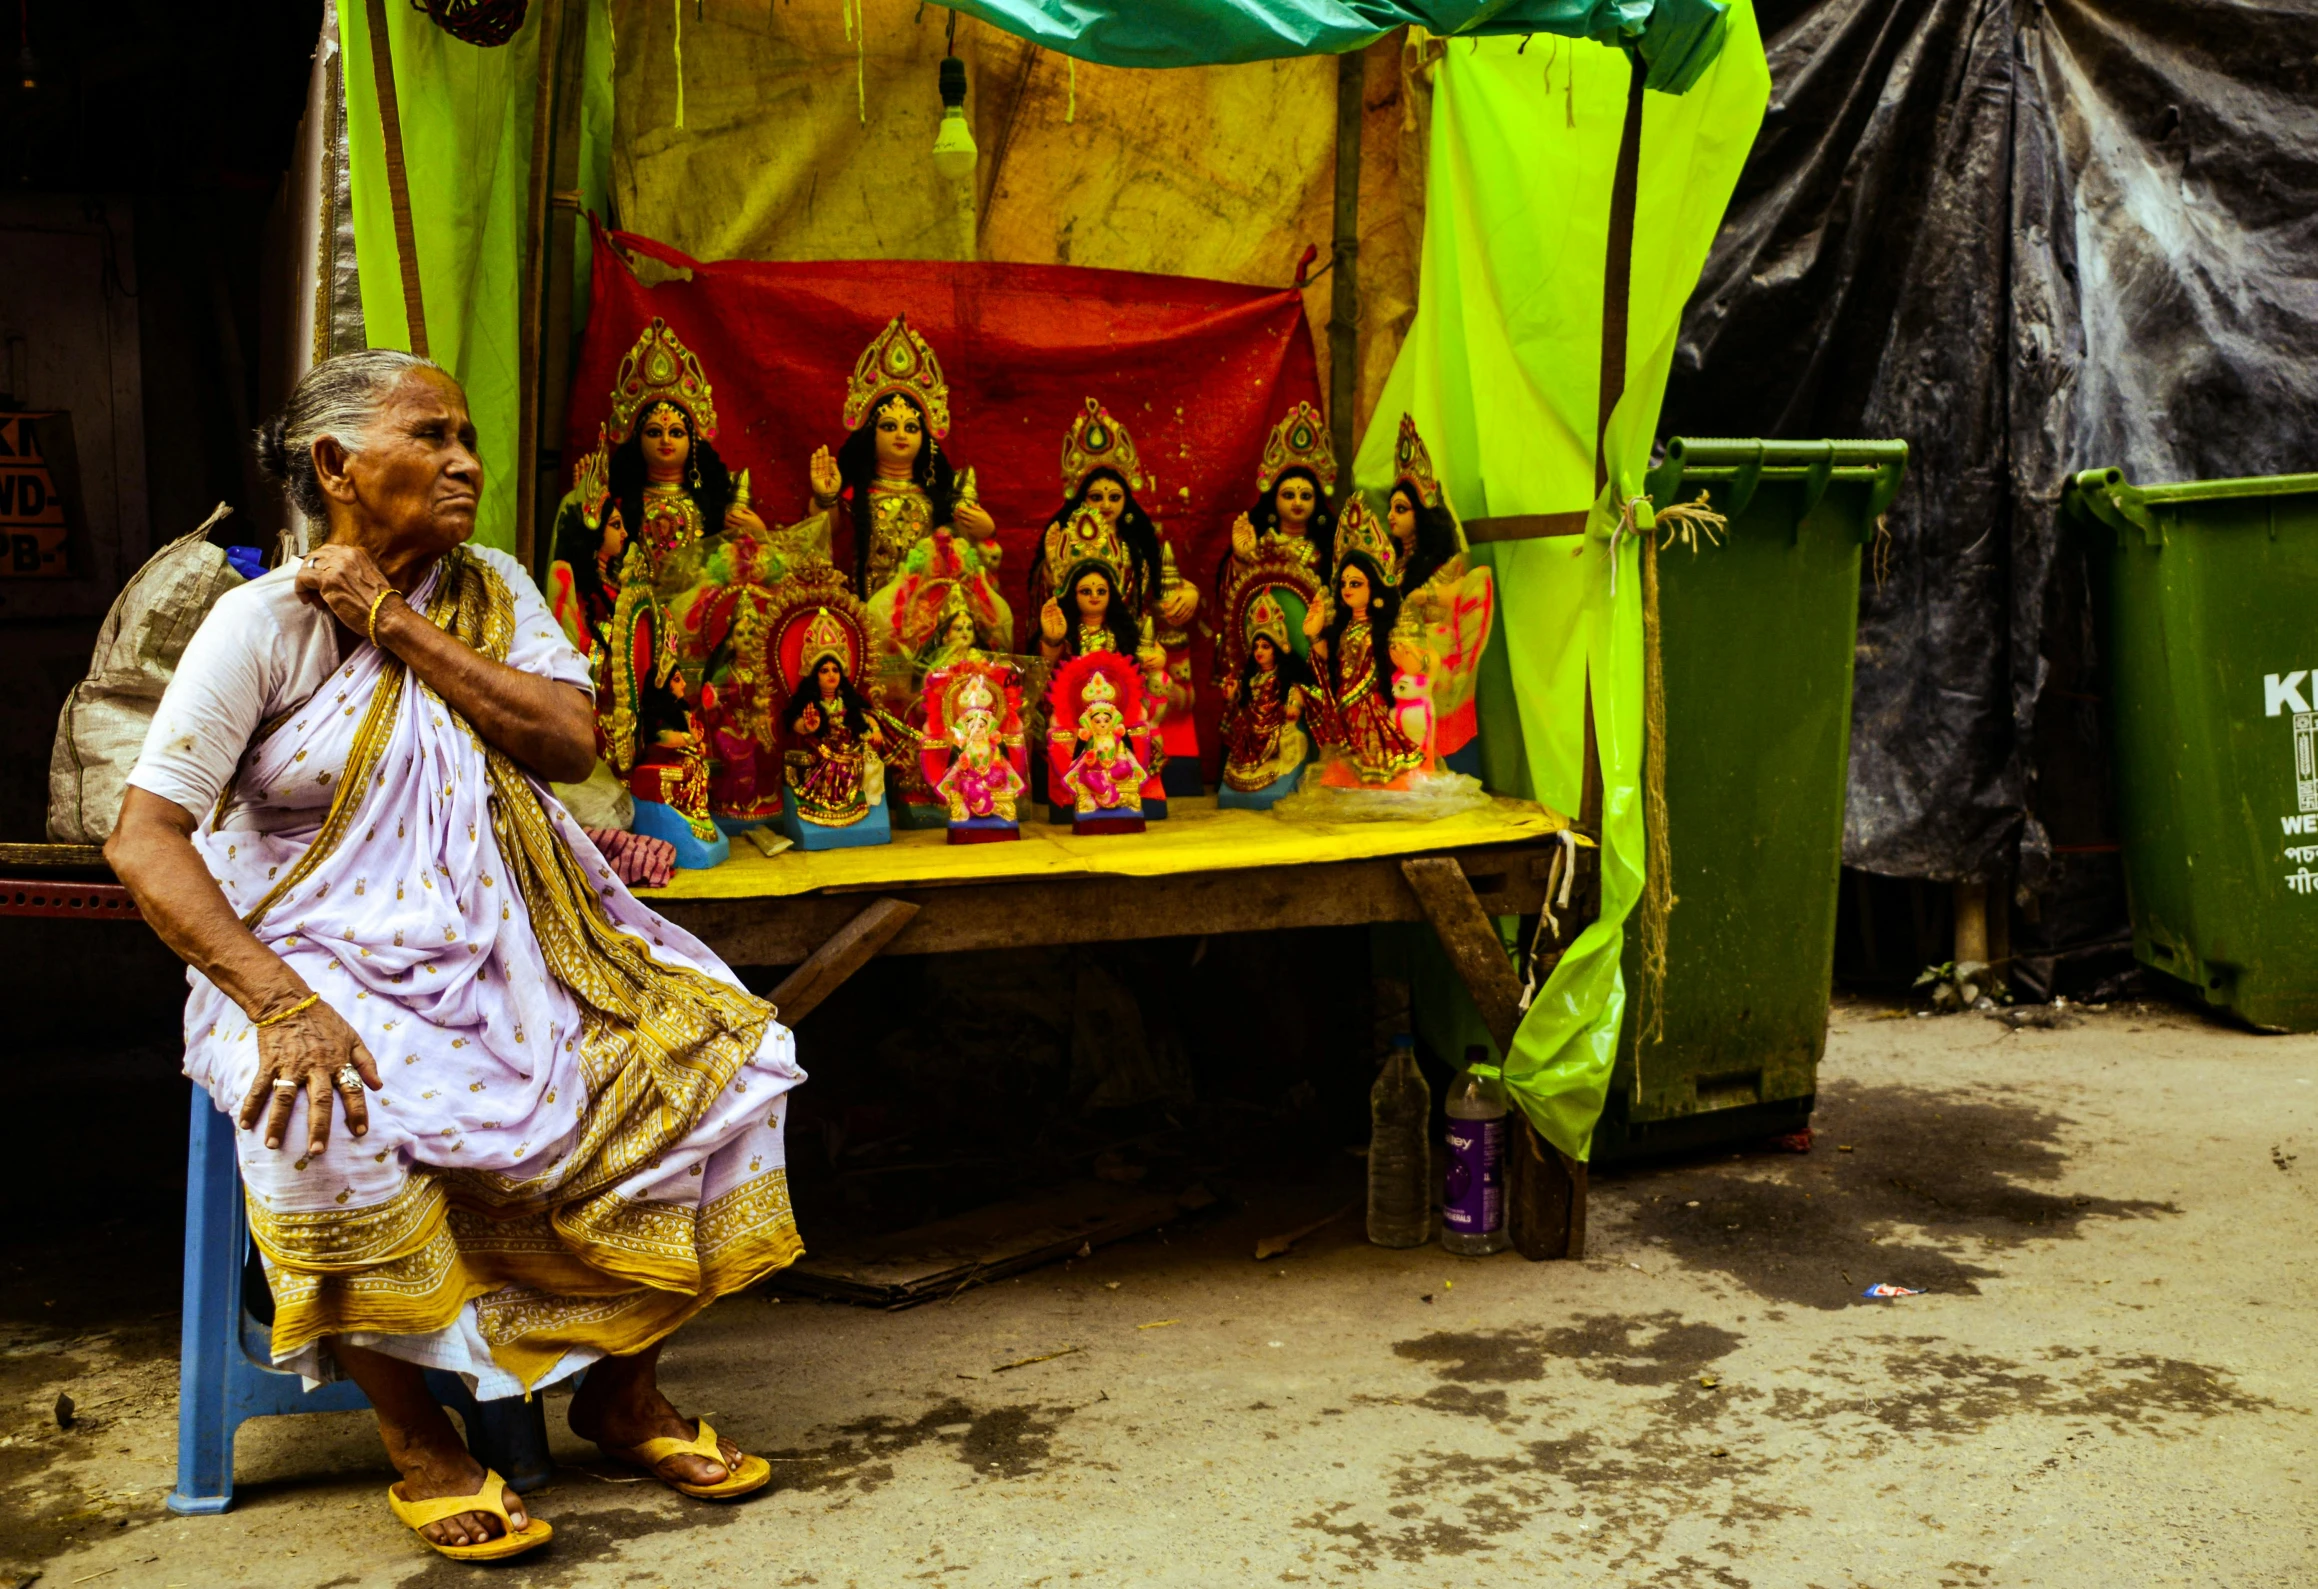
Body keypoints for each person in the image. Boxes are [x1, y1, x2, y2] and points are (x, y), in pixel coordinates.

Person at [107, 351, 803, 1562]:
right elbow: (145, 838)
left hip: (519, 934)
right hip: (307, 957)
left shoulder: (490, 590)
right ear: (335, 465)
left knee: (725, 1051)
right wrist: (280, 1003)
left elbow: (567, 738)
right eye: (429, 435)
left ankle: (620, 1392)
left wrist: (390, 620)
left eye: (466, 435)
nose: (466, 460)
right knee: (330, 1104)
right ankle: (420, 1436)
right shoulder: (258, 626)